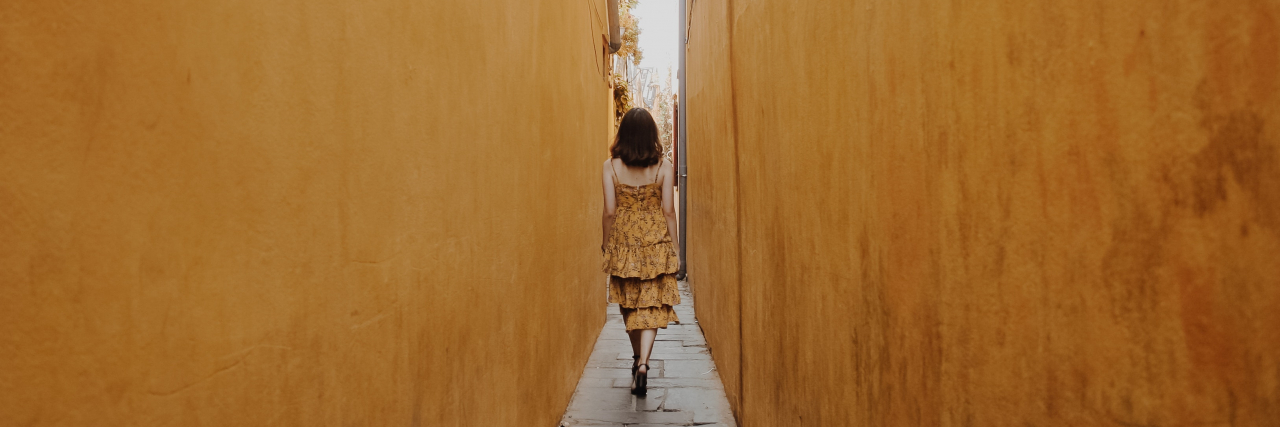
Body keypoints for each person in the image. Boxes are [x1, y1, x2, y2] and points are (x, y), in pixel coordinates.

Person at [600, 108, 681, 396]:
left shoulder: (610, 166)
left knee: (629, 302)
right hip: (655, 243)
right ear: (651, 134)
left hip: (624, 243)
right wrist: (675, 247)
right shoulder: (663, 166)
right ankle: (645, 363)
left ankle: (636, 360)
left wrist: (606, 244)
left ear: (624, 134)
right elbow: (669, 211)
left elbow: (609, 211)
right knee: (651, 305)